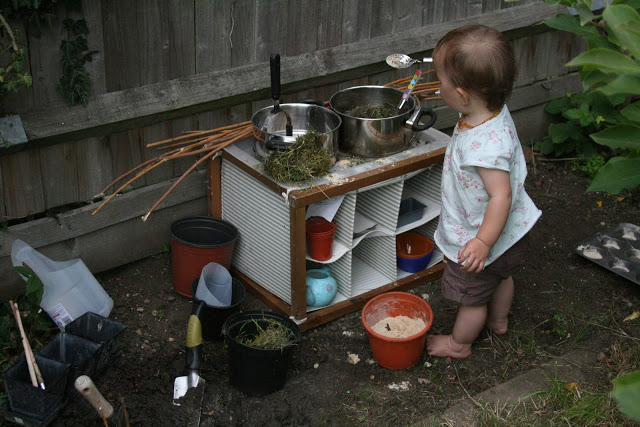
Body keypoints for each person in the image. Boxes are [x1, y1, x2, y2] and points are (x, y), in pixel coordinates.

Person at [427, 25, 541, 359]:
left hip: (484, 237)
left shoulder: (484, 148)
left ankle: (459, 344)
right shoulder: (492, 110)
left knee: (472, 298)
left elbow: (500, 195)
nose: (437, 86)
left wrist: (482, 243)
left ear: (462, 94)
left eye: (441, 81)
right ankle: (500, 320)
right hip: (513, 234)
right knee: (501, 277)